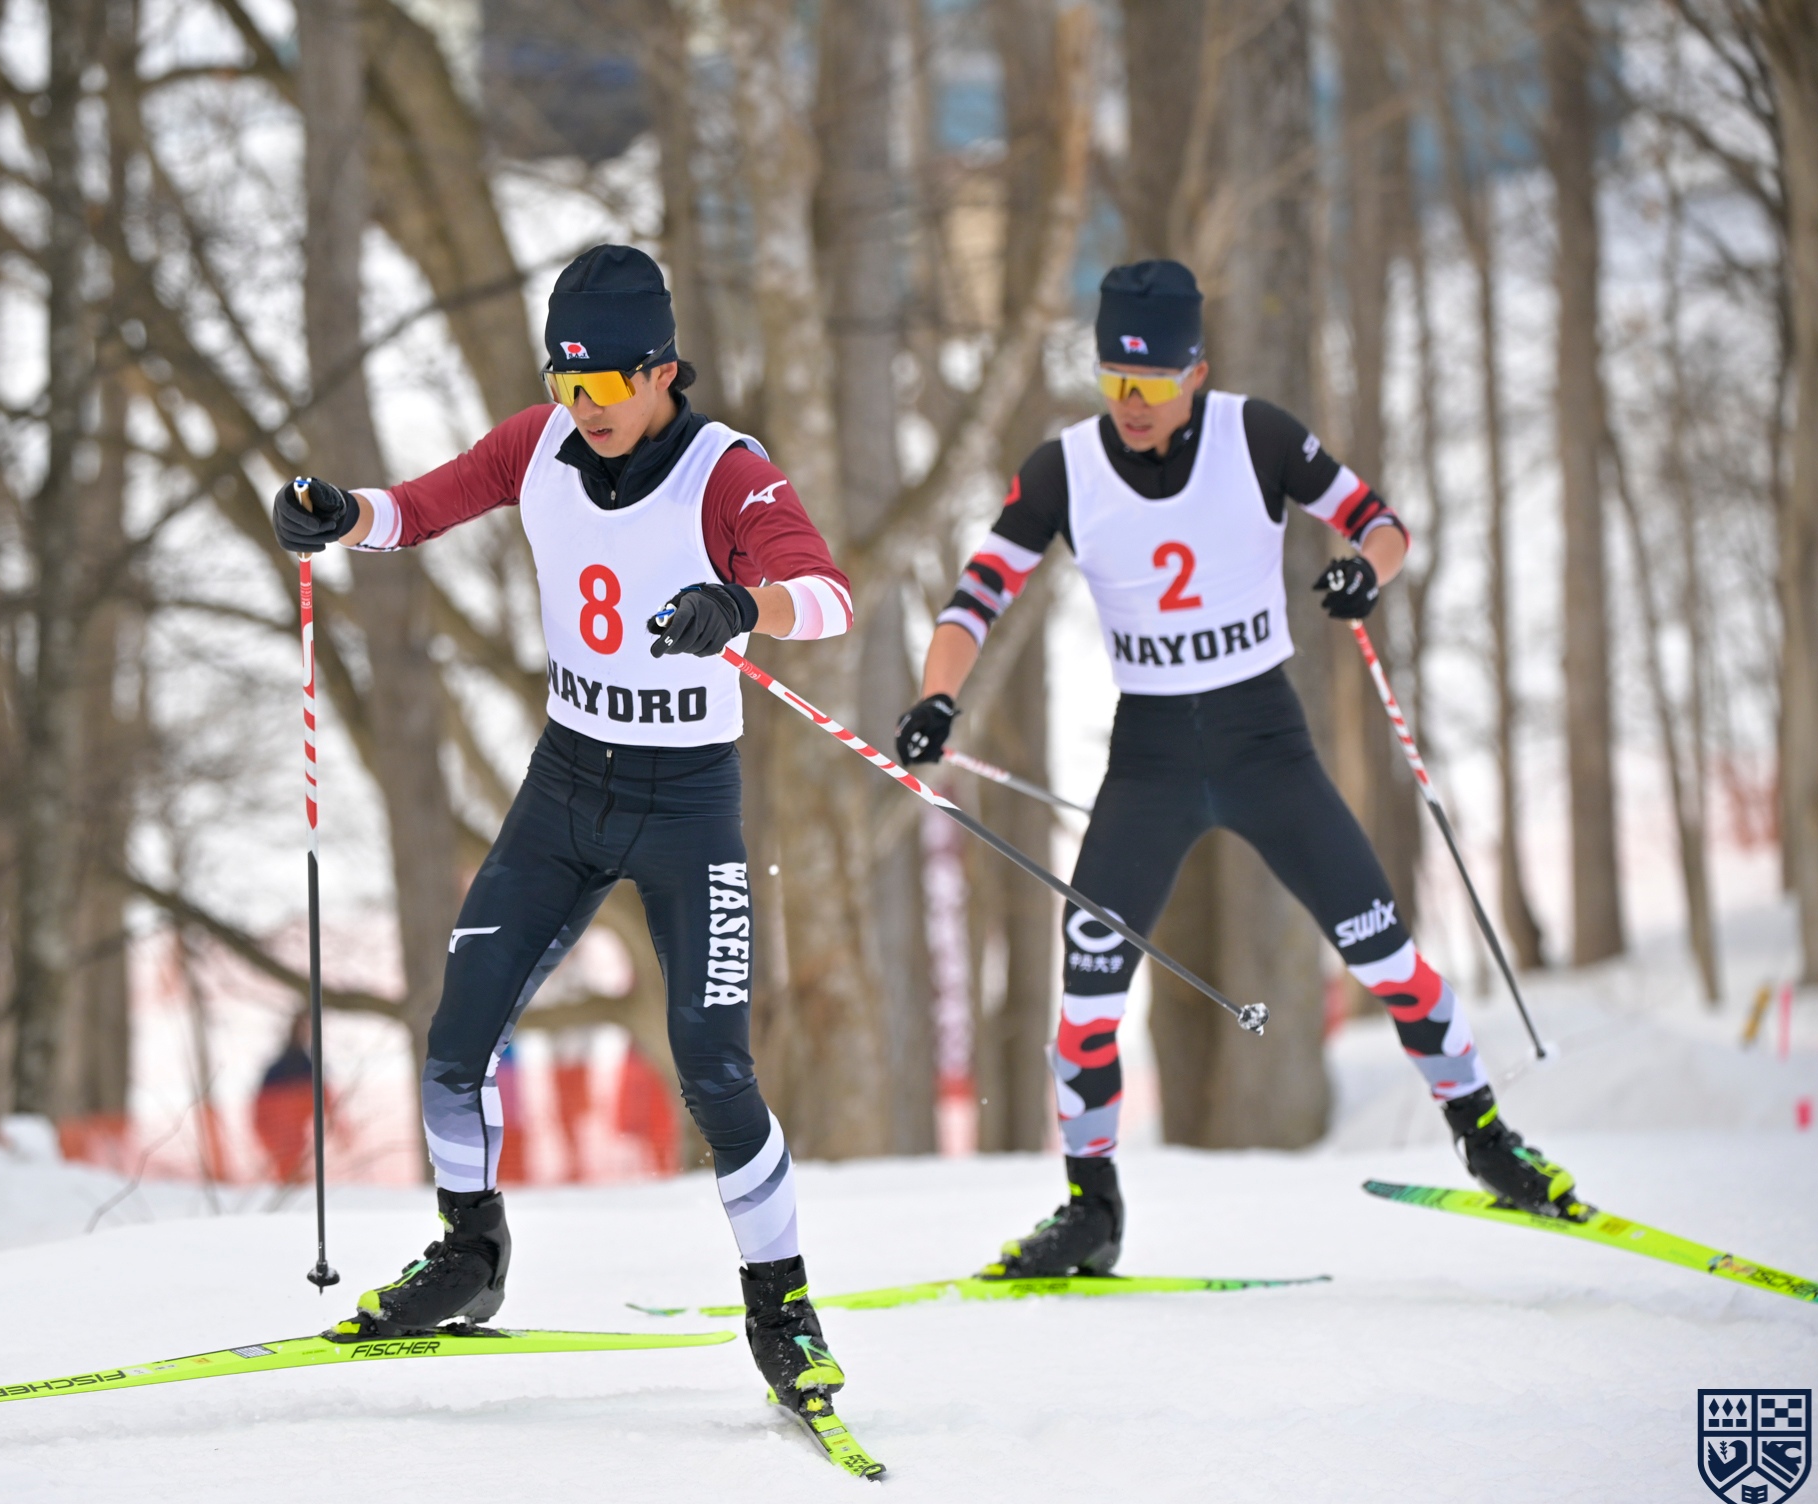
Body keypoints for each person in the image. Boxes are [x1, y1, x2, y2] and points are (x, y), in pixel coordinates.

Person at [894, 259, 1579, 1278]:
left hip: (1266, 747)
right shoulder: (1063, 470)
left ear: (1197, 373)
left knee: (1388, 959)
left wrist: (1366, 572)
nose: (1130, 403)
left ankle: (1488, 1142)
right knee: (1085, 1004)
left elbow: (1382, 524)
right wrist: (937, 697)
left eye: (1151, 382)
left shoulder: (1256, 436)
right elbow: (976, 596)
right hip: (1152, 762)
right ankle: (1092, 1210)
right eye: (1113, 380)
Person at [272, 244, 857, 1417]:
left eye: (603, 385)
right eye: (564, 382)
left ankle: (781, 1304)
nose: (582, 407)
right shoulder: (535, 444)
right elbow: (417, 509)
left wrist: (742, 602)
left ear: (663, 372)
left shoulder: (727, 474)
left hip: (686, 804)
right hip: (566, 789)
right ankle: (470, 1251)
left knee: (714, 1067)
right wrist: (338, 514)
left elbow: (830, 597)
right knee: (457, 1039)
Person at [251, 1012, 323, 1184]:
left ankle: (293, 1182)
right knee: (288, 1157)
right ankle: (290, 1183)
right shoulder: (289, 1067)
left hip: (289, 1132)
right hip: (280, 1129)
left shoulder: (306, 1065)